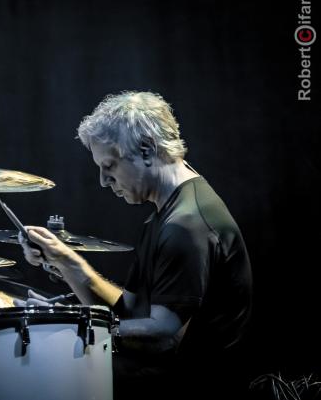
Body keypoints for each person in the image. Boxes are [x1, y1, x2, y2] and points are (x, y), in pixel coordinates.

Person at [19, 91, 253, 399]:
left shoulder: (186, 225)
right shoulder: (167, 212)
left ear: (146, 150)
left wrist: (69, 322)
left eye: (109, 166)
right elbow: (130, 311)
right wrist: (65, 260)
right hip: (164, 374)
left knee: (43, 375)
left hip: (191, 385)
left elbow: (163, 338)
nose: (103, 181)